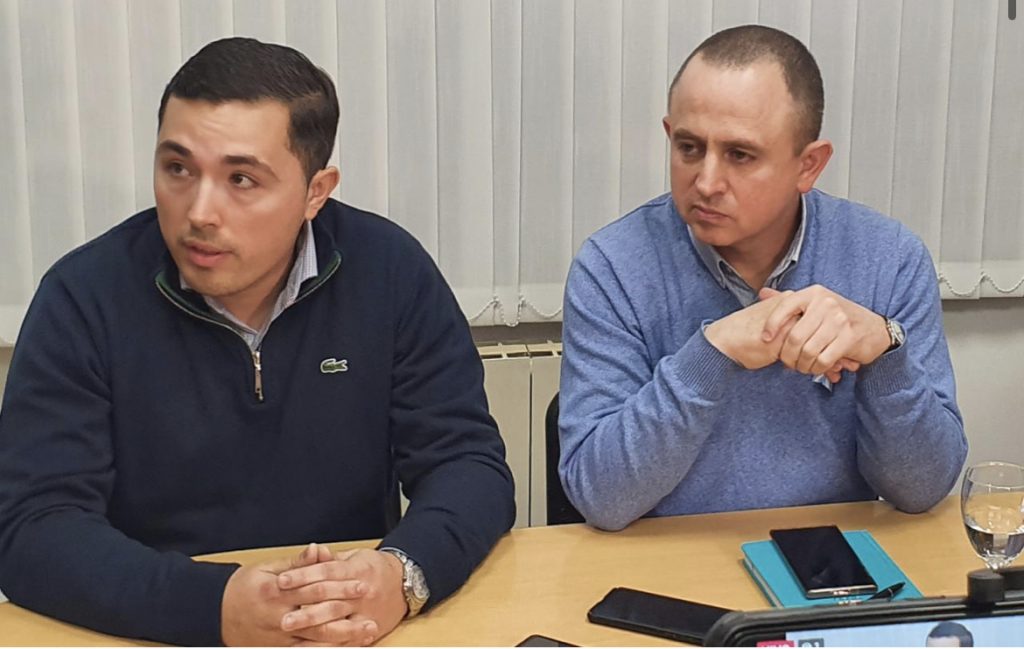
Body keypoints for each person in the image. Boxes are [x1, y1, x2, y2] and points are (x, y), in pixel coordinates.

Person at [0, 37, 515, 646]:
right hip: (150, 631)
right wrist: (213, 606)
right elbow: (33, 526)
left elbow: (468, 465)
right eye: (178, 169)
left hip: (346, 629)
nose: (200, 212)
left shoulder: (389, 272)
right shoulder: (83, 297)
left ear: (316, 192)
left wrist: (401, 575)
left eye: (241, 179)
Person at [558, 24, 967, 531]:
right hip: (670, 560)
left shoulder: (890, 258)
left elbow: (923, 489)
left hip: (827, 558)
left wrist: (884, 352)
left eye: (740, 155)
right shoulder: (613, 266)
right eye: (689, 148)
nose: (706, 182)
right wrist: (713, 352)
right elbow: (600, 497)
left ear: (808, 165)